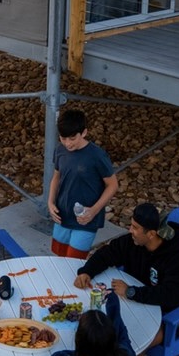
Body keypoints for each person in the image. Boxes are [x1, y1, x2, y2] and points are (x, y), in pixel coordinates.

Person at [73, 202, 179, 315]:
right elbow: (108, 253)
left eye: (135, 227)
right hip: (135, 304)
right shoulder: (133, 242)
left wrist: (131, 292)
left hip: (168, 315)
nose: (130, 230)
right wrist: (87, 271)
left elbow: (171, 294)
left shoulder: (178, 259)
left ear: (151, 234)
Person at [47, 106, 119, 261]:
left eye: (72, 138)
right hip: (62, 217)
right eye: (63, 138)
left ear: (84, 133)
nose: (67, 143)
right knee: (56, 259)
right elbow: (56, 177)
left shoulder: (97, 155)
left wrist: (93, 211)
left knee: (74, 263)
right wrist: (50, 202)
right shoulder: (60, 150)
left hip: (86, 220)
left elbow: (113, 185)